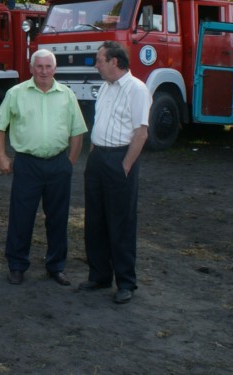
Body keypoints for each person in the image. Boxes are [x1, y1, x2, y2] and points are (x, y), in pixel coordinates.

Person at [0, 49, 87, 286]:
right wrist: (1, 156)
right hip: (27, 164)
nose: (44, 71)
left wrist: (69, 162)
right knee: (21, 217)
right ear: (31, 68)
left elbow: (77, 131)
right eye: (39, 66)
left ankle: (56, 266)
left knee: (58, 218)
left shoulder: (67, 95)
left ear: (55, 69)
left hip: (58, 164)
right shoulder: (16, 93)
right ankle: (17, 265)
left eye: (48, 67)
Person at [78, 41, 152, 304]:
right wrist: (94, 153)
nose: (96, 65)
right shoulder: (105, 88)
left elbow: (141, 132)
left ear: (115, 62)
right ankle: (99, 275)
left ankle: (126, 282)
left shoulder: (137, 89)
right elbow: (99, 122)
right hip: (98, 158)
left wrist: (126, 165)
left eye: (100, 60)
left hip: (120, 159)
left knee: (121, 222)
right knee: (95, 219)